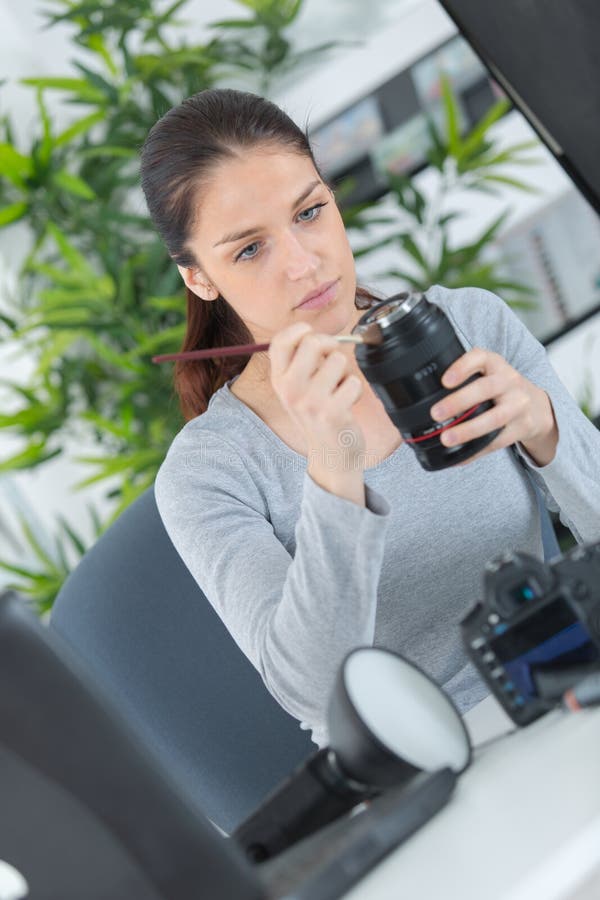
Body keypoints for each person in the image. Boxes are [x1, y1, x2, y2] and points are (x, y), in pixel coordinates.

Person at [141, 88, 600, 748]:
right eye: (249, 250)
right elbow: (314, 695)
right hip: (428, 761)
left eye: (310, 212)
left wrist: (548, 429)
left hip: (570, 695)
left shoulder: (466, 325)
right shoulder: (209, 473)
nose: (305, 263)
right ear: (198, 277)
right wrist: (335, 464)